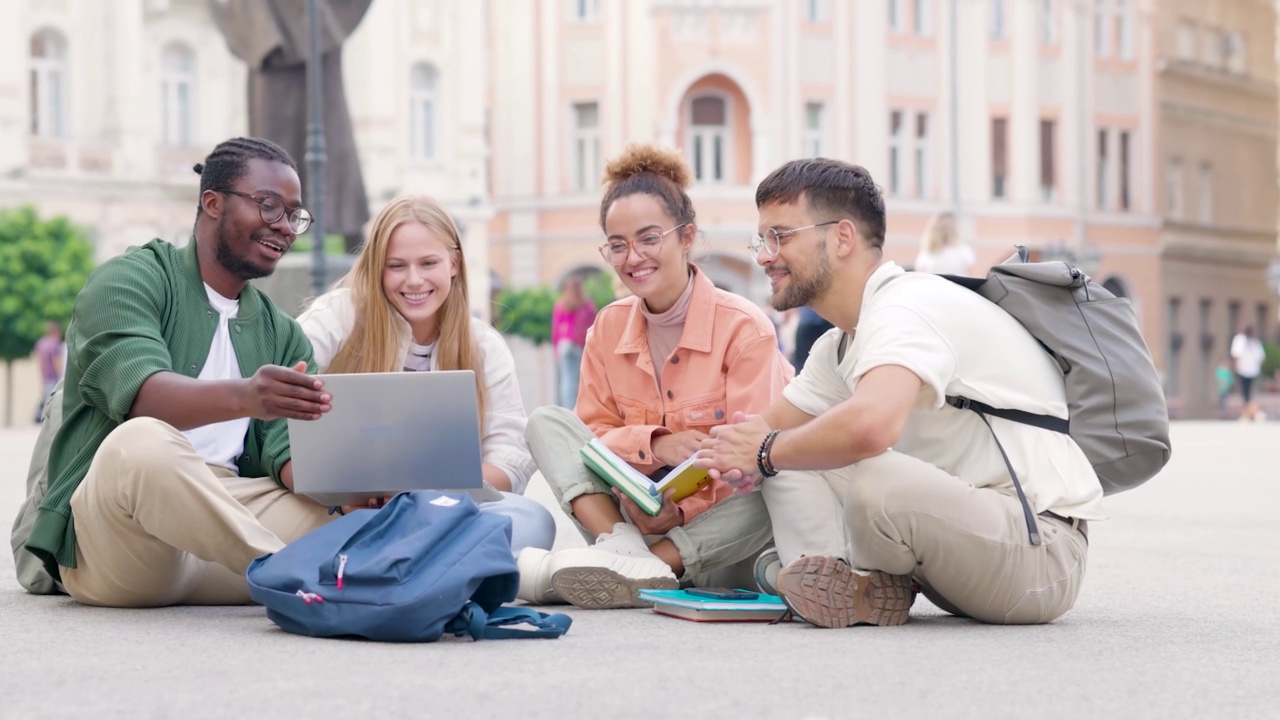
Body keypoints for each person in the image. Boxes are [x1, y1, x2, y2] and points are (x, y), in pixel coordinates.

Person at [697, 158, 1101, 627]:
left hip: (1039, 553)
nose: (765, 255)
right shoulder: (839, 344)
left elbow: (872, 426)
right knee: (788, 462)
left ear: (842, 237)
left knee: (870, 478)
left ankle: (840, 576)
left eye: (780, 236)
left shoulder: (907, 305)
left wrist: (764, 450)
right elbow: (765, 431)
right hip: (959, 544)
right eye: (761, 240)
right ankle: (841, 584)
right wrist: (701, 470)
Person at [22, 137, 341, 607]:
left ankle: (299, 574)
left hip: (227, 533)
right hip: (126, 539)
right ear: (212, 202)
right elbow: (142, 394)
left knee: (365, 521)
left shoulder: (283, 334)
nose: (285, 226)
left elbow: (288, 455)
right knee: (141, 441)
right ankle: (295, 574)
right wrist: (247, 397)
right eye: (269, 206)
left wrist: (355, 490)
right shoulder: (129, 280)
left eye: (294, 214)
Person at [520, 144, 791, 609]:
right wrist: (655, 445)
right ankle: (624, 553)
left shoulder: (744, 328)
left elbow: (754, 453)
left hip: (719, 532)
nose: (633, 258)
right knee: (545, 421)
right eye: (618, 245)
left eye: (649, 238)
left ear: (686, 237)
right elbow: (592, 436)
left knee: (783, 476)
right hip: (630, 526)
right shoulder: (606, 327)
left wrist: (681, 510)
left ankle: (652, 566)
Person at [296, 194, 555, 556]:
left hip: (444, 512)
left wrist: (438, 493)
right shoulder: (339, 315)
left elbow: (509, 457)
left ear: (454, 262)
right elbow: (286, 377)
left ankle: (408, 561)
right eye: (396, 266)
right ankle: (437, 565)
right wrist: (346, 499)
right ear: (377, 268)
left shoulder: (483, 346)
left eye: (428, 263)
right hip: (349, 511)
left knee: (534, 520)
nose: (414, 280)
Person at [551, 275, 597, 409]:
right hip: (579, 344)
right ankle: (579, 407)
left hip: (564, 344)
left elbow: (556, 329)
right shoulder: (587, 305)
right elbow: (592, 325)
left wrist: (555, 349)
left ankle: (568, 409)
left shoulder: (561, 305)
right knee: (581, 378)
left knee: (567, 379)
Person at [914, 211, 975, 276]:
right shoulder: (965, 251)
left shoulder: (926, 253)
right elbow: (970, 277)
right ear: (954, 229)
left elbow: (919, 276)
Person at [1230, 325, 1266, 422]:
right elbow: (1261, 357)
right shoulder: (1255, 341)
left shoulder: (1239, 340)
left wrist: (1236, 368)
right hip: (1253, 371)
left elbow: (1237, 355)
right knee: (1248, 393)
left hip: (1243, 371)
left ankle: (1251, 413)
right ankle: (1248, 414)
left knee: (1245, 394)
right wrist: (1256, 366)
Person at [33, 321, 65, 424]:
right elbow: (57, 362)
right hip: (54, 377)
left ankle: (44, 421)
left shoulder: (41, 343)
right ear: (56, 332)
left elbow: (38, 360)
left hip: (45, 376)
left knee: (47, 398)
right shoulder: (55, 344)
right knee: (54, 401)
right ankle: (48, 422)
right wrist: (61, 376)